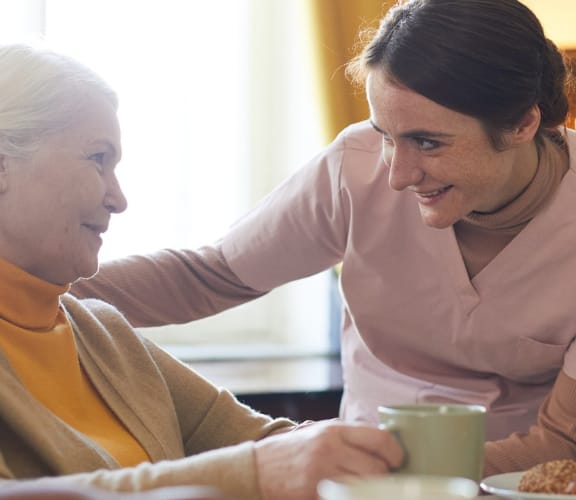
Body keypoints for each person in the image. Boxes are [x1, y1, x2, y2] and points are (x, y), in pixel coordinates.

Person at [72, 0, 576, 475]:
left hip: (516, 480)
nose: (398, 175)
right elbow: (210, 275)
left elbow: (560, 442)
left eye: (427, 142)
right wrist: (32, 292)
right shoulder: (355, 171)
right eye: (385, 135)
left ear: (522, 124)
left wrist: (393, 474)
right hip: (351, 473)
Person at [0, 43, 405, 500]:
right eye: (98, 159)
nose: (118, 199)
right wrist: (247, 473)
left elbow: (265, 442)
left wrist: (369, 452)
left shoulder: (100, 333)